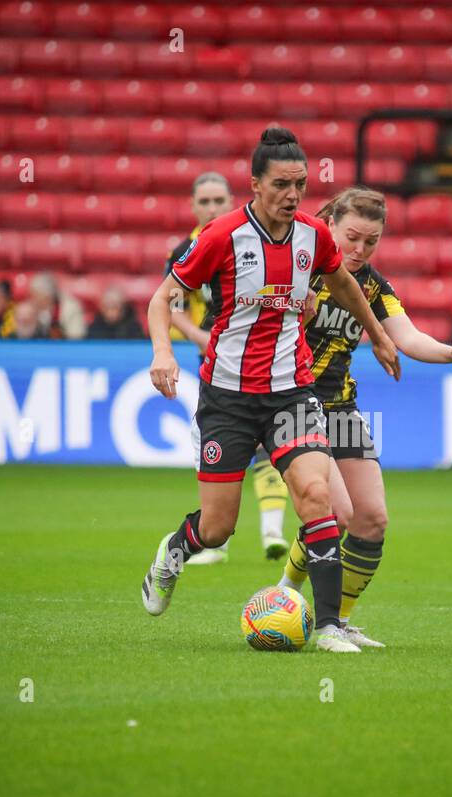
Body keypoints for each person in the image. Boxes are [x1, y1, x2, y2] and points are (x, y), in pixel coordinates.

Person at [139, 127, 401, 653]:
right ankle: (174, 550)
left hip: (291, 392)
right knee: (217, 528)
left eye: (300, 184)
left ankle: (327, 626)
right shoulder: (220, 236)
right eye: (282, 183)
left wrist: (377, 336)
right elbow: (162, 297)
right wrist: (163, 352)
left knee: (316, 495)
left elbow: (346, 285)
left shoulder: (313, 235)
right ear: (255, 184)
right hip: (228, 398)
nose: (293, 194)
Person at [275, 187, 452, 647]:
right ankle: (285, 596)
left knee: (371, 520)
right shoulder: (297, 268)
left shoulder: (371, 285)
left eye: (371, 241)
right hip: (292, 403)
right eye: (352, 237)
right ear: (329, 225)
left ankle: (340, 619)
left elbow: (405, 336)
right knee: (338, 513)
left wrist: (451, 353)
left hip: (342, 409)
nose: (359, 249)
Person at [164, 170, 292, 565]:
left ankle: (271, 529)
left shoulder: (246, 241)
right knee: (222, 449)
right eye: (204, 201)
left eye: (219, 200)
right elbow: (171, 306)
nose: (212, 207)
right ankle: (216, 539)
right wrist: (200, 338)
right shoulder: (188, 248)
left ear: (231, 200)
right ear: (192, 206)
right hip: (215, 365)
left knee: (266, 445)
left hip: (262, 362)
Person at [28, 272, 85, 340]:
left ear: (46, 296)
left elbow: (76, 338)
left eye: (35, 295)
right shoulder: (29, 309)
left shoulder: (70, 308)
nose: (33, 299)